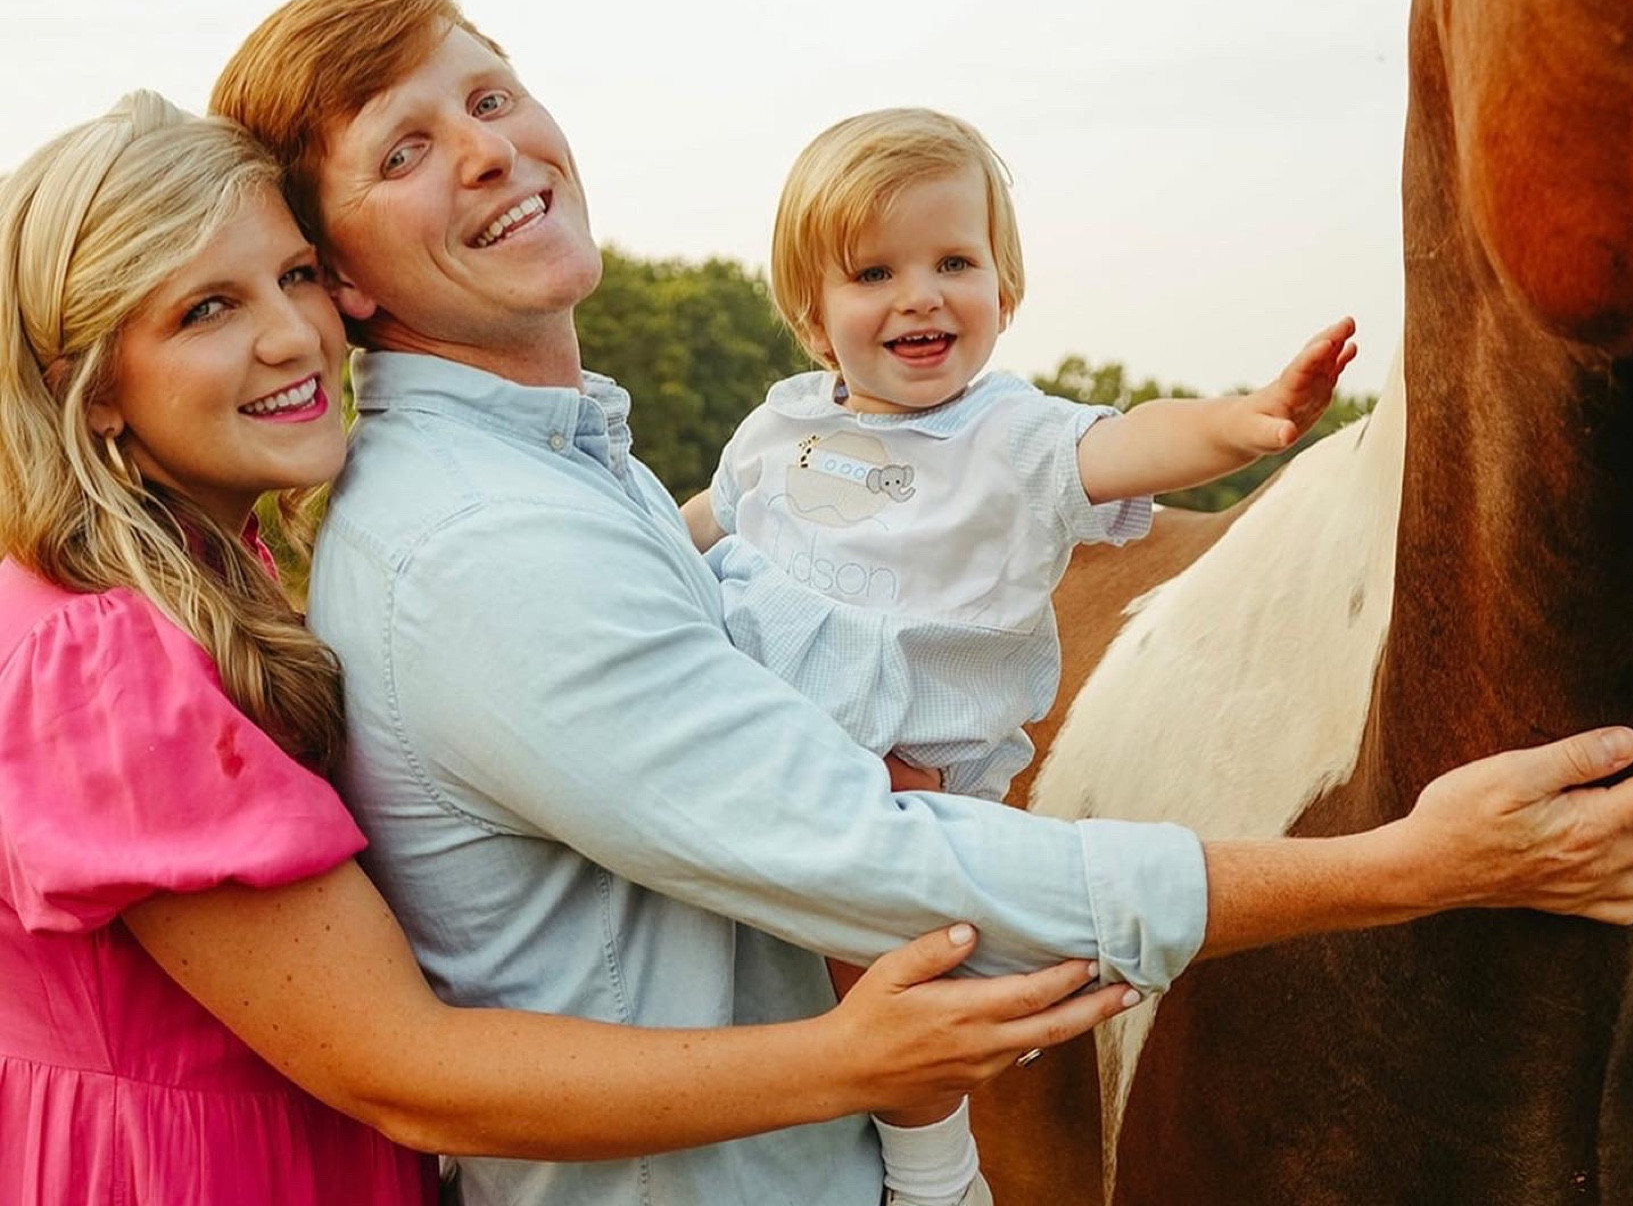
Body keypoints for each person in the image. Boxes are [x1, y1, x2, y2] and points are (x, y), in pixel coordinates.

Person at [210, 0, 1633, 1206]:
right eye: (405, 148)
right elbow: (875, 855)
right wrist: (1406, 869)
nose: (485, 149)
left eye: (490, 93)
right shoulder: (482, 544)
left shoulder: (583, 475)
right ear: (333, 272)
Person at [0, 93, 1143, 1206]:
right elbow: (398, 1066)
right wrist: (852, 1055)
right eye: (205, 309)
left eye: (296, 275)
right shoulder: (99, 655)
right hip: (186, 1171)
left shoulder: (196, 568)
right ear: (87, 387)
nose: (293, 331)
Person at [679, 105, 1356, 1206]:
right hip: (757, 739)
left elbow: (1129, 439)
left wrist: (1243, 420)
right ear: (813, 314)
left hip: (906, 772)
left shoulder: (1015, 436)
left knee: (891, 965)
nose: (920, 293)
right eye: (873, 270)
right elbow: (708, 515)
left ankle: (934, 1162)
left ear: (1005, 289)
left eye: (955, 260)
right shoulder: (782, 425)